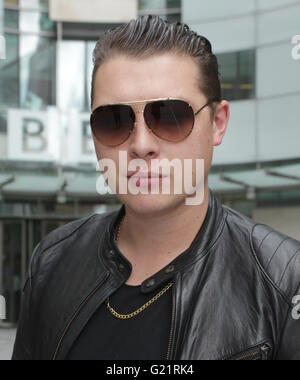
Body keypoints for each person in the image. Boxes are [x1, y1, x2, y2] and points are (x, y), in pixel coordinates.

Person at [12, 15, 300, 361]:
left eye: (171, 116)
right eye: (114, 121)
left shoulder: (285, 279)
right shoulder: (52, 261)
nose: (141, 144)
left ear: (218, 124)